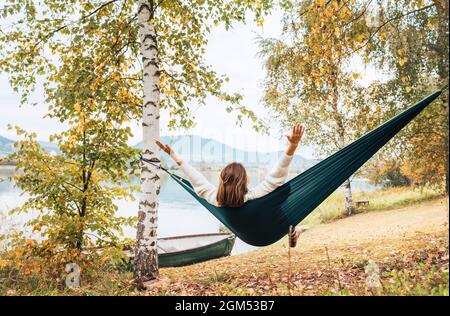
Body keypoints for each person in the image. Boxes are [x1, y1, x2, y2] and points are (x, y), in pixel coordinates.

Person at [155, 124, 305, 246]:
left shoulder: (214, 198)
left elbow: (195, 177)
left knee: (274, 194)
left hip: (250, 237)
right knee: (282, 191)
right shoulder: (254, 196)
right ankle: (290, 228)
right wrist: (292, 146)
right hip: (269, 230)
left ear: (221, 180)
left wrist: (173, 155)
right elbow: (276, 176)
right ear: (245, 181)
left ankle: (291, 230)